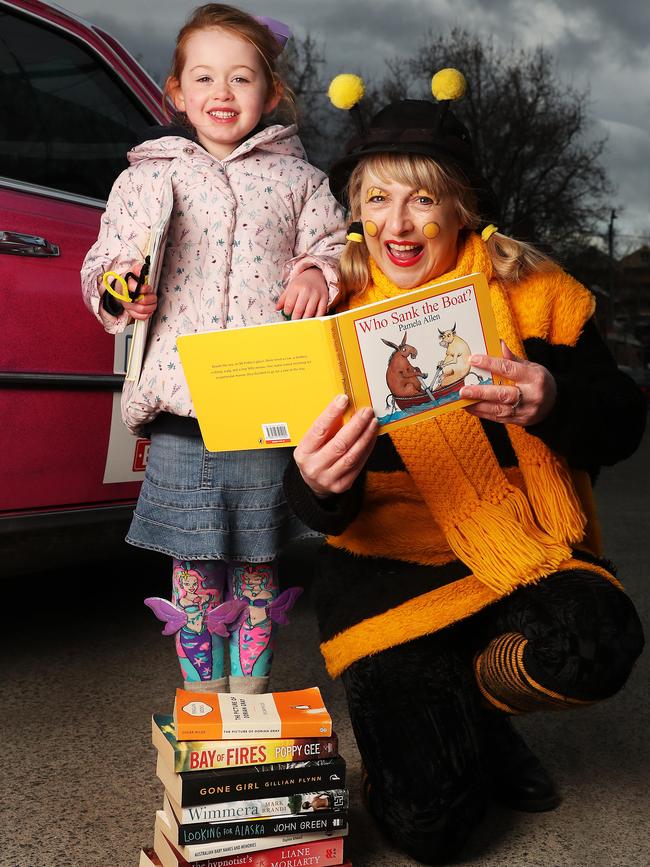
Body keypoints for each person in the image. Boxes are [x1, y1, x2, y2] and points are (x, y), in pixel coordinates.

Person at [283, 68, 646, 863]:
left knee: (597, 642)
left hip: (516, 556)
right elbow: (304, 495)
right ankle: (448, 733)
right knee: (430, 831)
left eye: (421, 198)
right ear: (356, 213)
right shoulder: (326, 315)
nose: (398, 224)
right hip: (387, 585)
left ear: (460, 206)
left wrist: (552, 397)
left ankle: (478, 711)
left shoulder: (533, 289)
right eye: (377, 199)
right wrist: (317, 484)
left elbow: (622, 421)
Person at [81, 4, 345, 695]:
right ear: (175, 91)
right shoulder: (146, 178)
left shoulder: (301, 181)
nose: (221, 94)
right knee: (195, 563)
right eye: (204, 77)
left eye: (240, 78)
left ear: (271, 93)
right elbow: (106, 262)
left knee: (258, 560)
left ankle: (250, 694)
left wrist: (319, 272)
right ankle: (204, 693)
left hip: (265, 407)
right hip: (181, 407)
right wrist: (118, 291)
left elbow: (333, 248)